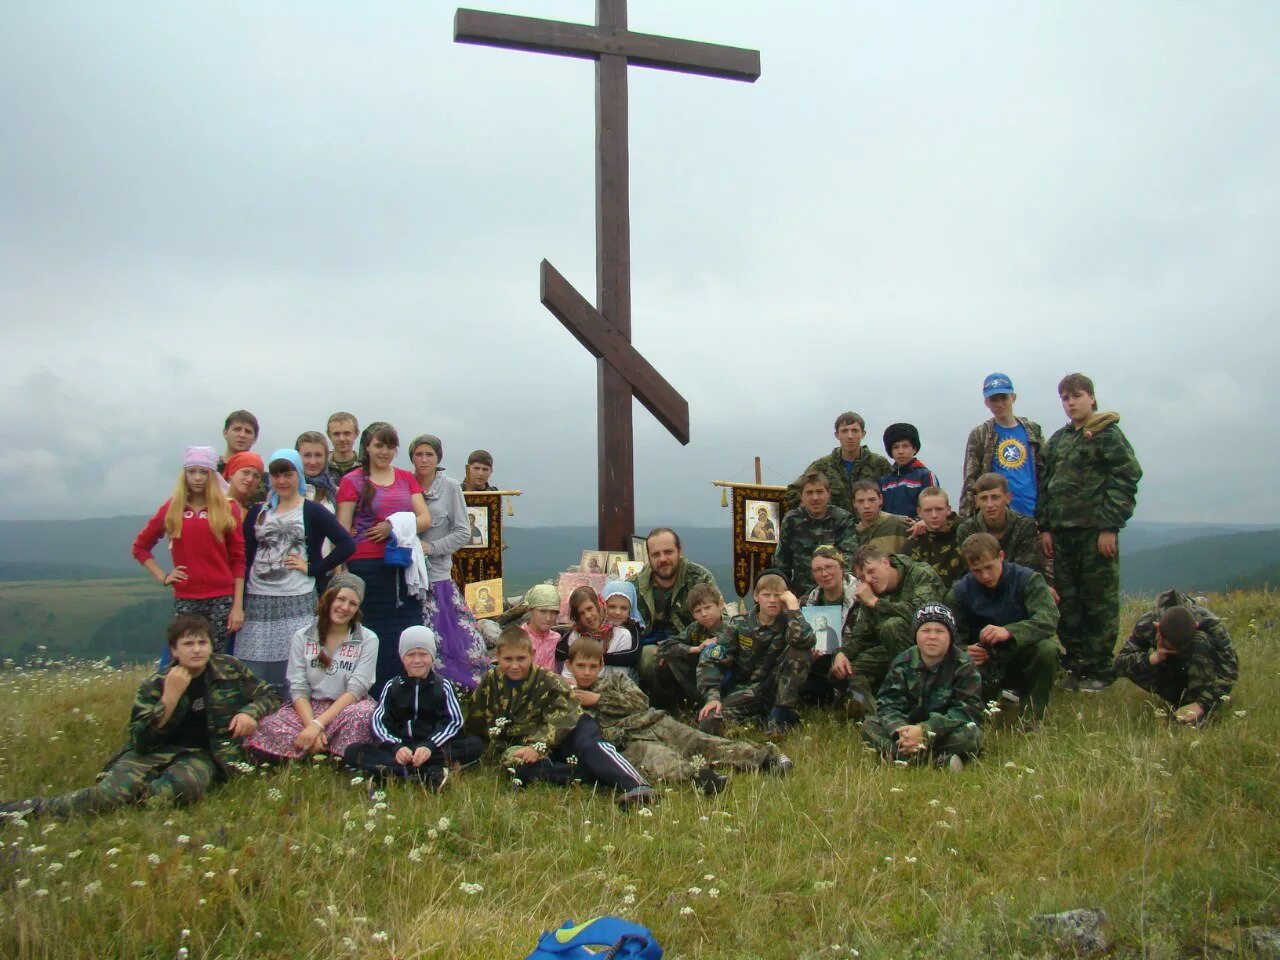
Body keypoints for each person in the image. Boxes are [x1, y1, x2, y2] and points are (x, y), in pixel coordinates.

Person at [0, 614, 281, 819]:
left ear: (211, 645)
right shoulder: (155, 684)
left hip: (203, 753)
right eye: (188, 644)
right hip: (155, 751)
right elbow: (141, 740)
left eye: (202, 642)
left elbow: (269, 695)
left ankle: (131, 802)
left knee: (179, 789)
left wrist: (249, 713)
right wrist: (170, 699)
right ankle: (27, 810)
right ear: (174, 650)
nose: (197, 649)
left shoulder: (229, 669)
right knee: (105, 795)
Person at [565, 637, 790, 795]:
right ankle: (702, 778)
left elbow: (640, 702)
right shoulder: (566, 697)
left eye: (592, 666)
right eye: (581, 666)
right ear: (569, 665)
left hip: (654, 722)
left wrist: (598, 700)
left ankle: (764, 758)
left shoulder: (616, 681)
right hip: (626, 741)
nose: (586, 672)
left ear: (601, 665)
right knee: (660, 759)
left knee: (699, 741)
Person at [465, 627, 656, 809]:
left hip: (570, 729)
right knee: (522, 771)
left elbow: (567, 714)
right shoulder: (490, 682)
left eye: (521, 658)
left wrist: (539, 746)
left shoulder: (548, 679)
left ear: (532, 655)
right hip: (531, 746)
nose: (515, 665)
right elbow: (476, 721)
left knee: (589, 746)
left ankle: (636, 785)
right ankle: (593, 775)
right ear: (497, 657)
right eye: (508, 659)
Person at [1037, 372, 1142, 691]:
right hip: (1062, 535)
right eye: (1065, 398)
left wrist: (1110, 525)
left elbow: (1126, 478)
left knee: (1098, 600)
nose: (1071, 403)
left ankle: (1099, 668)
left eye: (1077, 396)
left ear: (1092, 398)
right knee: (1068, 601)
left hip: (1095, 534)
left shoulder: (1107, 434)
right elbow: (1045, 484)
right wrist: (1045, 527)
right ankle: (1077, 663)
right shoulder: (1058, 439)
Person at [237, 450, 355, 698]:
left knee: (297, 665)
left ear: (298, 475)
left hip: (297, 597)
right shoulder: (258, 512)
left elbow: (346, 544)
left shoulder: (312, 511)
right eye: (276, 475)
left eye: (288, 474)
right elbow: (245, 557)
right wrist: (239, 601)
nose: (281, 481)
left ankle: (294, 719)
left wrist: (313, 569)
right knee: (255, 666)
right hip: (258, 598)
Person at [335, 422, 431, 696]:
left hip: (402, 566)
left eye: (390, 446)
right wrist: (340, 573)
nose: (385, 452)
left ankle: (406, 691)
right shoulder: (352, 481)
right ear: (367, 446)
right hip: (365, 565)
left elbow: (424, 518)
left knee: (405, 630)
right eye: (379, 445)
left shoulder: (405, 478)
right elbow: (342, 530)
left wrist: (393, 525)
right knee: (370, 632)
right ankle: (371, 695)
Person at [244, 573, 379, 761]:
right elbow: (298, 687)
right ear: (329, 597)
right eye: (340, 599)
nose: (345, 608)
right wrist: (311, 725)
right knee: (269, 725)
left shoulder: (368, 639)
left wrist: (318, 725)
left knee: (362, 715)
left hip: (346, 707)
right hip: (309, 708)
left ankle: (322, 752)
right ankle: (323, 747)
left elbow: (356, 689)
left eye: (353, 604)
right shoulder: (303, 636)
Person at [132, 445, 245, 656]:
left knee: (216, 658)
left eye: (204, 472)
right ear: (184, 474)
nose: (198, 478)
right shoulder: (173, 507)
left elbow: (238, 559)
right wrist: (164, 577)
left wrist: (237, 606)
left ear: (212, 475)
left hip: (221, 597)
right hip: (186, 597)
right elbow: (140, 547)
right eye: (192, 471)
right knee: (184, 657)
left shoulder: (228, 508)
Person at [342, 626, 484, 789]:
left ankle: (391, 773)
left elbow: (453, 722)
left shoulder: (443, 686)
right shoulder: (392, 686)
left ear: (432, 656)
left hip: (433, 749)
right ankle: (426, 773)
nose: (417, 660)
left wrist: (430, 746)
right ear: (403, 657)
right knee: (353, 751)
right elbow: (379, 723)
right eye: (411, 655)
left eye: (423, 654)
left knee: (474, 745)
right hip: (401, 750)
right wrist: (396, 747)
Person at [947, 534, 1060, 728]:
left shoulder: (1027, 579)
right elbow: (950, 635)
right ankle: (974, 720)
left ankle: (1031, 720)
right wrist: (965, 650)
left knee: (1047, 650)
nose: (985, 576)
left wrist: (1010, 632)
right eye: (977, 571)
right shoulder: (960, 591)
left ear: (1001, 556)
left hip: (1022, 656)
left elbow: (1049, 618)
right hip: (985, 662)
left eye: (989, 567)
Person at [409, 433, 490, 690]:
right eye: (418, 454)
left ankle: (453, 688)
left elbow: (463, 532)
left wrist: (430, 547)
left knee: (451, 637)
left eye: (429, 454)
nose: (423, 460)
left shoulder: (451, 487)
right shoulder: (403, 483)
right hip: (406, 575)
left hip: (436, 575)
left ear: (438, 458)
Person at [860, 604, 984, 771]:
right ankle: (934, 760)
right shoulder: (902, 661)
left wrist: (925, 731)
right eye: (925, 630)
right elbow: (888, 704)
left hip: (942, 732)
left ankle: (902, 758)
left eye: (939, 631)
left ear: (951, 636)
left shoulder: (964, 665)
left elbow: (966, 710)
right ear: (916, 635)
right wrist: (902, 733)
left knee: (971, 734)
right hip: (907, 728)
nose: (932, 636)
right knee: (869, 725)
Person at [830, 545, 946, 714]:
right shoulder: (871, 593)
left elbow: (923, 614)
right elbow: (862, 635)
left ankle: (920, 699)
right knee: (848, 669)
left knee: (892, 626)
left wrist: (876, 603)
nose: (868, 580)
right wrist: (841, 653)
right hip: (891, 649)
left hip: (932, 648)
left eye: (871, 571)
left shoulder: (920, 573)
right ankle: (873, 712)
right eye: (862, 578)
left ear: (886, 563)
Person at [697, 572, 815, 735]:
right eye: (767, 595)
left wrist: (793, 608)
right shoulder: (740, 624)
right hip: (746, 690)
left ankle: (780, 715)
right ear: (756, 597)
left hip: (778, 689)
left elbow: (806, 640)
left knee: (800, 648)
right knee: (709, 722)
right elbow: (713, 660)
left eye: (778, 595)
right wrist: (712, 697)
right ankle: (759, 719)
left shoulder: (790, 622)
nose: (772, 600)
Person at [1113, 589, 1238, 726]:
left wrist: (1202, 704)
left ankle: (1199, 708)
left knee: (1200, 641)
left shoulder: (1210, 624)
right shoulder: (1147, 624)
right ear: (1158, 628)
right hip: (1167, 673)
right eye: (1171, 649)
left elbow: (1229, 670)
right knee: (1138, 665)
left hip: (1201, 673)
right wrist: (1154, 657)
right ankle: (1179, 702)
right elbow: (1119, 664)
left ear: (1196, 626)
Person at [628, 528, 718, 695]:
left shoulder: (698, 577)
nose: (663, 559)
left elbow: (719, 616)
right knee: (648, 659)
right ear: (648, 556)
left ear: (679, 551)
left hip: (693, 647)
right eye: (656, 554)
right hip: (653, 649)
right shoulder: (635, 586)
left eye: (668, 552)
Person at [960, 373, 1044, 517]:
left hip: (1033, 512)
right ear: (987, 402)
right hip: (996, 516)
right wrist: (966, 519)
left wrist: (1047, 520)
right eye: (994, 399)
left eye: (1004, 398)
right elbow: (970, 481)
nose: (999, 404)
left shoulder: (1033, 431)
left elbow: (1045, 473)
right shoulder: (980, 434)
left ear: (1013, 397)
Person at [784, 411, 892, 513]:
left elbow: (896, 494)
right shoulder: (822, 466)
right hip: (834, 530)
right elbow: (793, 491)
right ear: (837, 435)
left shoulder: (879, 464)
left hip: (871, 529)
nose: (850, 436)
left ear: (863, 434)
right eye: (844, 431)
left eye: (854, 430)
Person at [773, 472, 858, 597]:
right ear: (802, 496)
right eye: (809, 493)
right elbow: (781, 562)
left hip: (835, 592)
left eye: (819, 492)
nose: (815, 498)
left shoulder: (842, 519)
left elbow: (849, 560)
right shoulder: (792, 520)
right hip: (801, 594)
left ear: (828, 494)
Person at [799, 545, 860, 704]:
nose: (824, 574)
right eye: (817, 570)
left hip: (853, 659)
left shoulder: (861, 597)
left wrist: (844, 653)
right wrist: (807, 654)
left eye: (829, 567)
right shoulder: (807, 602)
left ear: (842, 568)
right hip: (820, 662)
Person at [956, 473, 1047, 577]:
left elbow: (1025, 570)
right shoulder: (967, 530)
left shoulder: (1025, 525)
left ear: (1008, 498)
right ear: (977, 501)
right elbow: (972, 571)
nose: (990, 505)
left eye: (995, 497)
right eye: (984, 498)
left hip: (1018, 585)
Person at [557, 587, 641, 679]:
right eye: (581, 613)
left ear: (599, 605)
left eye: (590, 608)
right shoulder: (576, 635)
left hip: (610, 691)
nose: (588, 616)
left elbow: (619, 679)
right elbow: (568, 675)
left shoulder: (622, 635)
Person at [905, 487, 966, 588]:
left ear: (948, 510)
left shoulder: (962, 537)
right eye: (928, 510)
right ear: (919, 512)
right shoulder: (913, 543)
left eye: (939, 509)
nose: (934, 515)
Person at [878, 423, 940, 520]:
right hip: (890, 533)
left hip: (918, 531)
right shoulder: (884, 481)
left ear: (914, 448)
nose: (901, 451)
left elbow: (934, 507)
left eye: (905, 446)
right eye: (896, 447)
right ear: (890, 452)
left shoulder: (925, 476)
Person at [219, 410, 266, 508]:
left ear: (255, 438)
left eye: (248, 431)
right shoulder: (210, 469)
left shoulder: (263, 478)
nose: (242, 435)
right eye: (237, 429)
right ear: (225, 432)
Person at [851, 480, 910, 555]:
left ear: (880, 499)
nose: (866, 506)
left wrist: (923, 523)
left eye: (872, 500)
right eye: (860, 501)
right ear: (854, 503)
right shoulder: (851, 533)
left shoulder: (899, 524)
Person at [295, 430, 339, 510]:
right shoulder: (286, 488)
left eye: (318, 455)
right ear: (297, 456)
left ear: (326, 457)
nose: (313, 462)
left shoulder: (335, 491)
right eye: (307, 455)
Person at [223, 451, 266, 515]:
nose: (250, 479)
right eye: (245, 472)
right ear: (231, 473)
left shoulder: (251, 513)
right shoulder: (214, 504)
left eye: (256, 476)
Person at [326, 411, 360, 486]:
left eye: (347, 433)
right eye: (336, 434)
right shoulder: (321, 466)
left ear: (356, 433)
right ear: (329, 435)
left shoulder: (367, 466)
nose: (342, 439)